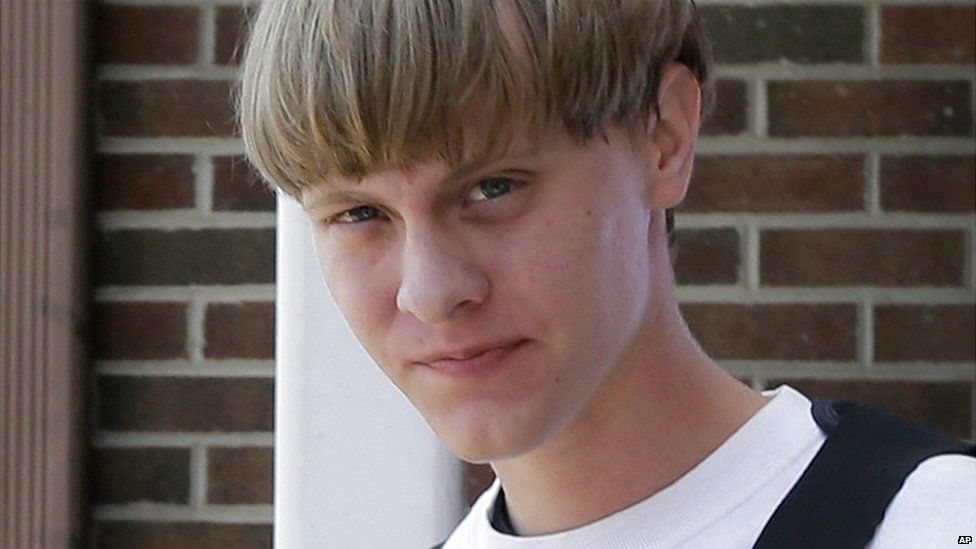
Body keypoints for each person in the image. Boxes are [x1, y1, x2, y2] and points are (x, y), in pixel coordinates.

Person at [236, 1, 975, 547]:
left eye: (493, 188)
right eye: (360, 213)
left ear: (664, 138)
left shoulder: (934, 523)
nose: (430, 293)